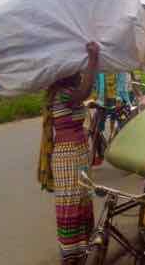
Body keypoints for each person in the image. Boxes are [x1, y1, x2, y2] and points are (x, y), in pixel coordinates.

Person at [38, 42, 99, 265]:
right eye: (76, 71)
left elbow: (83, 97)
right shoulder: (64, 93)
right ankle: (71, 257)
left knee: (82, 201)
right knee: (72, 204)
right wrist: (93, 59)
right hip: (68, 155)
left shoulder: (64, 92)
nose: (79, 73)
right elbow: (86, 91)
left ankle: (81, 250)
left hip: (78, 152)